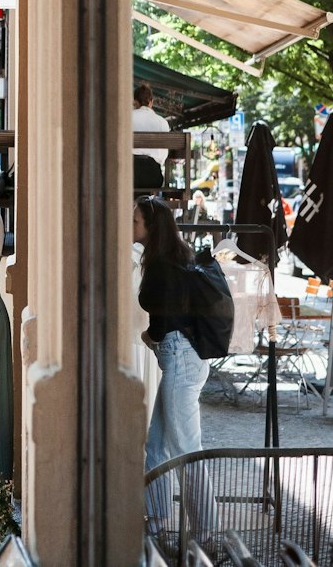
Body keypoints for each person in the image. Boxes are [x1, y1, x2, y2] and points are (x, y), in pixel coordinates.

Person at [135, 196, 211, 536]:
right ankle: (159, 520)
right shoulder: (175, 257)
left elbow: (167, 315)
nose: (130, 227)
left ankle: (207, 530)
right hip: (183, 358)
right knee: (155, 446)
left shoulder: (162, 264)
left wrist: (150, 334)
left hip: (180, 359)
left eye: (135, 221)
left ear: (152, 227)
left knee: (185, 450)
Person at [132, 83, 170, 192]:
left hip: (129, 174)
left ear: (135, 101)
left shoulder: (125, 118)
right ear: (151, 102)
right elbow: (163, 155)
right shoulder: (163, 122)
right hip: (153, 176)